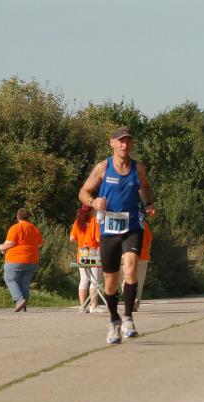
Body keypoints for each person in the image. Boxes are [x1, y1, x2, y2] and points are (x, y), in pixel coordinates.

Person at [79, 126, 156, 343]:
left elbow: (145, 187)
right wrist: (93, 201)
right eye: (121, 141)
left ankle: (128, 317)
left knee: (130, 269)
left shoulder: (138, 168)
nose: (125, 145)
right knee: (110, 282)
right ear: (112, 143)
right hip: (109, 229)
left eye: (128, 141)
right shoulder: (103, 167)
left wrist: (148, 203)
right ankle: (114, 321)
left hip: (132, 226)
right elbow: (83, 192)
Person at [0, 208, 43, 312]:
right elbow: (40, 244)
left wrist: (1, 247)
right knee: (25, 283)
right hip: (32, 260)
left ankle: (19, 300)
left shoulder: (15, 228)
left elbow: (11, 243)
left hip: (15, 260)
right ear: (28, 217)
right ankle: (24, 305)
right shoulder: (34, 228)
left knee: (10, 279)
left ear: (17, 217)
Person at [69, 204, 102, 313]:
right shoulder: (95, 221)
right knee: (95, 279)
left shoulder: (77, 222)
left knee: (84, 279)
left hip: (82, 253)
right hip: (93, 253)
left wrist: (82, 239)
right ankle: (94, 306)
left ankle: (83, 306)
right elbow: (98, 239)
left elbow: (72, 238)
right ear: (91, 211)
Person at [133, 220, 153, 312]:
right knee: (139, 280)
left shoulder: (125, 222)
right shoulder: (144, 224)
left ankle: (130, 299)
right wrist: (147, 253)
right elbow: (149, 241)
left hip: (128, 256)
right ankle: (136, 300)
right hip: (143, 256)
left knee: (126, 279)